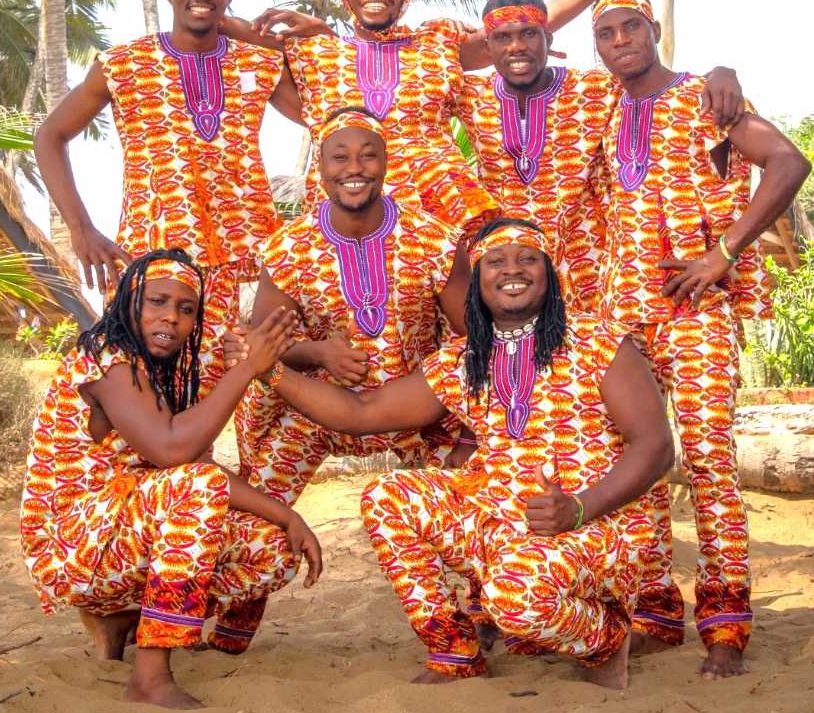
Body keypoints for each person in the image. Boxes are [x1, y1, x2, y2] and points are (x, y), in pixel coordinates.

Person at [234, 219, 676, 688]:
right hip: (503, 522)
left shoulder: (598, 341)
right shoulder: (465, 359)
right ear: (478, 279)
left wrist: (581, 506)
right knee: (388, 496)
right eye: (495, 262)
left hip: (598, 525)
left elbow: (655, 446)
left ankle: (607, 639)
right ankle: (454, 649)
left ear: (549, 273)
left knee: (515, 598)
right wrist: (271, 374)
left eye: (528, 258)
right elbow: (361, 412)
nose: (513, 271)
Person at [88, 0, 672, 235]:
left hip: (438, 196)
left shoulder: (438, 41)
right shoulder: (312, 52)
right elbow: (207, 9)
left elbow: (524, 27)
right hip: (351, 196)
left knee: (487, 262)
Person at [591, 0, 811, 678]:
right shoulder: (597, 110)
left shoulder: (703, 100)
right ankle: (656, 611)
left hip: (696, 311)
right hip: (622, 316)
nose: (621, 40)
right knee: (640, 459)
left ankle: (724, 621)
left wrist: (726, 251)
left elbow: (789, 161)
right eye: (607, 33)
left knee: (711, 460)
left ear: (654, 30)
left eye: (632, 27)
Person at [20, 249, 323, 709]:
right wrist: (246, 368)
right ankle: (150, 676)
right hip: (73, 544)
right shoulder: (104, 358)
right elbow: (172, 452)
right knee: (195, 488)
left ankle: (128, 617)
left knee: (273, 548)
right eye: (156, 301)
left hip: (129, 526)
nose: (171, 317)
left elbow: (195, 465)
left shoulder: (167, 373)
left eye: (186, 309)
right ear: (128, 303)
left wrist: (286, 516)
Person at [34, 0, 313, 399]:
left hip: (242, 261)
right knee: (149, 391)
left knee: (253, 389)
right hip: (155, 259)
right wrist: (81, 229)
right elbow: (50, 136)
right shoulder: (124, 64)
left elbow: (327, 119)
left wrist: (299, 35)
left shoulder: (259, 65)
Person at [232, 106, 472, 506]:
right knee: (257, 520)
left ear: (385, 161)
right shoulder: (287, 250)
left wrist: (468, 437)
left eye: (368, 154)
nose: (354, 168)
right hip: (317, 413)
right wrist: (318, 352)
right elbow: (263, 348)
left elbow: (479, 341)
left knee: (481, 505)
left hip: (419, 412)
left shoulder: (437, 242)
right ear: (321, 168)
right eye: (339, 157)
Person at [454, 0, 746, 314]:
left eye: (529, 34)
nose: (517, 46)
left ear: (549, 42)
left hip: (590, 276)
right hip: (507, 275)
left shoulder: (595, 87)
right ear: (487, 47)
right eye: (502, 37)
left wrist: (720, 73)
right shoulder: (467, 94)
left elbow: (656, 80)